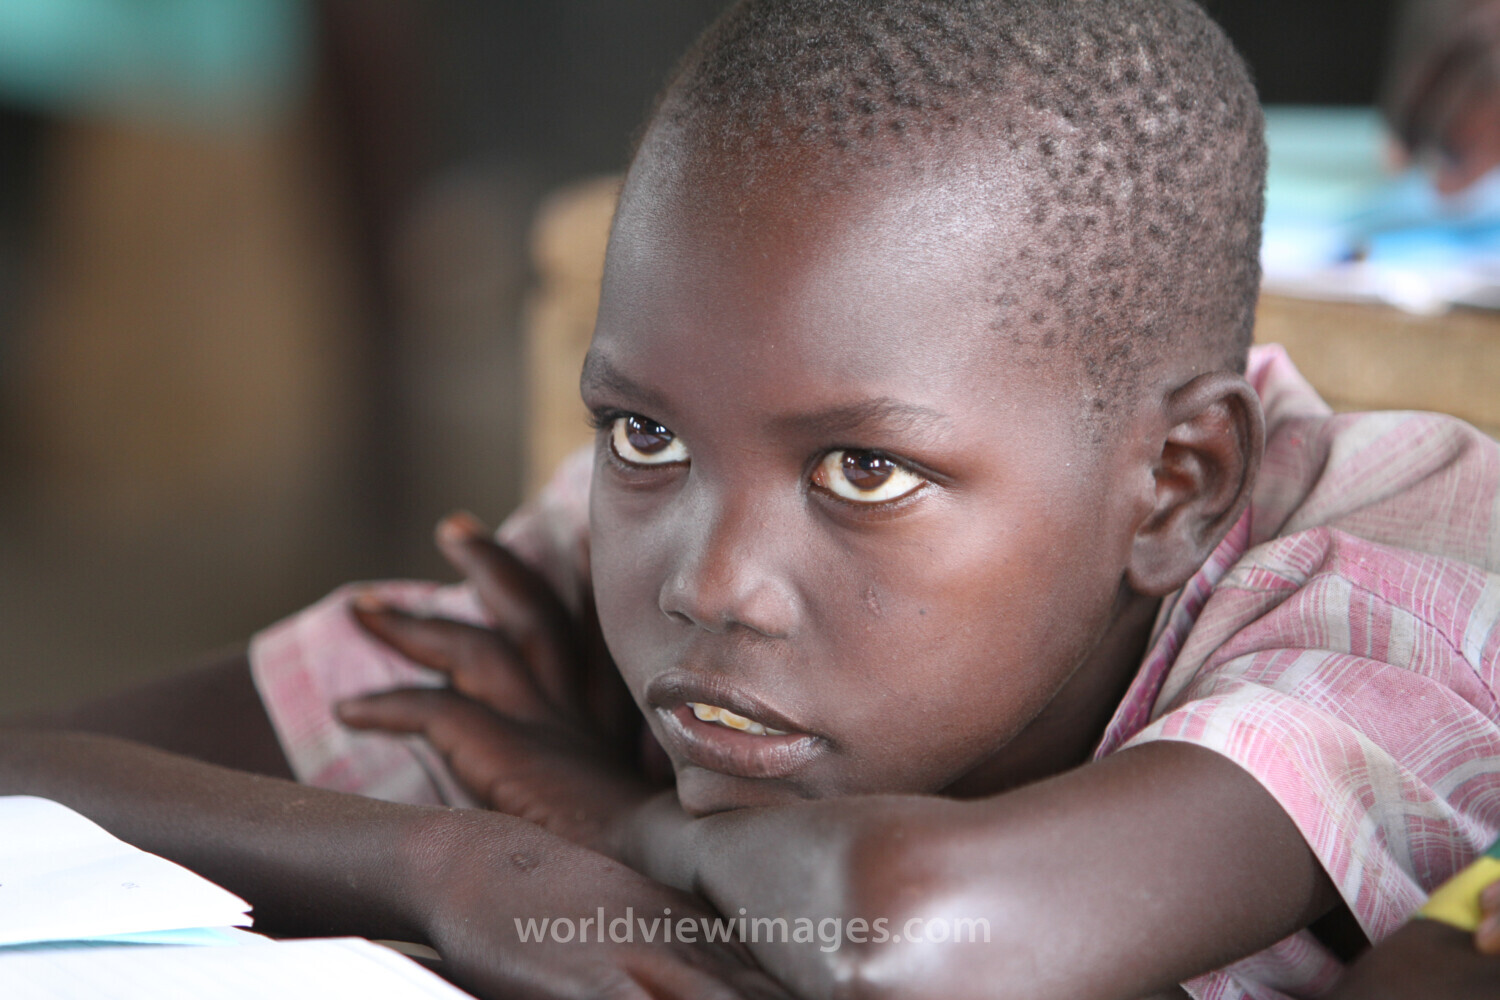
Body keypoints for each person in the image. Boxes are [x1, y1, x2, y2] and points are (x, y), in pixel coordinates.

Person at [7, 1, 1500, 998]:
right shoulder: (648, 539)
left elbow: (908, 935)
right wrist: (457, 864)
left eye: (865, 471)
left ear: (1175, 486)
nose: (709, 581)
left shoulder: (1391, 593)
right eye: (640, 428)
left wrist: (613, 827)